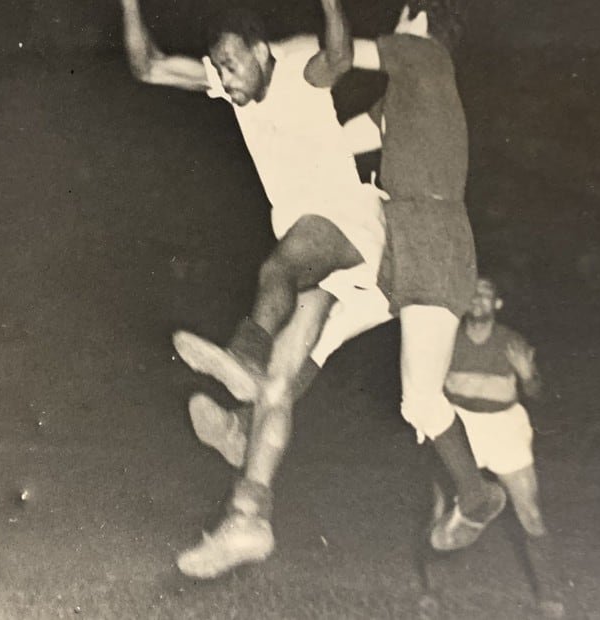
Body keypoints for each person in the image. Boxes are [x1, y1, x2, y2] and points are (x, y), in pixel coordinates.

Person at [118, 0, 395, 578]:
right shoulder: (229, 82)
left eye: (232, 63)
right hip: (331, 268)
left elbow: (339, 56)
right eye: (218, 66)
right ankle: (248, 517)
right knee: (279, 384)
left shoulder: (297, 63)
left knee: (277, 270)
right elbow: (148, 66)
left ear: (261, 51)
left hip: (348, 226)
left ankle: (245, 354)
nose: (225, 77)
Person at [306, 0, 505, 551]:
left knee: (420, 402)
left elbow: (341, 54)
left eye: (399, 15)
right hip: (403, 235)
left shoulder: (426, 56)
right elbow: (336, 141)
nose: (394, 24)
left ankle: (477, 496)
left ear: (418, 19)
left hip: (433, 240)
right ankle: (247, 419)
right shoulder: (407, 94)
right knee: (323, 325)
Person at [434, 276, 566, 618]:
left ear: (497, 304)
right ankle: (432, 593)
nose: (478, 298)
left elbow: (536, 392)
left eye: (486, 293)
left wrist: (527, 376)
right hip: (460, 425)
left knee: (530, 513)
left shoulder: (511, 341)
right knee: (443, 506)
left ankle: (550, 597)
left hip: (504, 425)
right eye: (472, 292)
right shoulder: (446, 339)